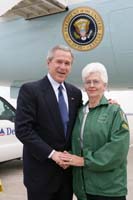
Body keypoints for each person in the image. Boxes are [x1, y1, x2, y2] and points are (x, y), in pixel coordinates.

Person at [15, 45, 82, 200]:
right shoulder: (30, 90)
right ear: (48, 62)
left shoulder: (75, 93)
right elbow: (23, 129)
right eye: (59, 62)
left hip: (66, 175)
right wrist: (53, 155)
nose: (63, 67)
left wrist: (108, 104)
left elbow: (80, 122)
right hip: (40, 175)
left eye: (67, 63)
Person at [60, 62, 130, 200]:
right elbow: (79, 144)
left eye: (96, 82)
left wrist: (84, 161)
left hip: (108, 190)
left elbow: (117, 150)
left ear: (104, 86)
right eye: (88, 82)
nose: (91, 85)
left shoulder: (114, 111)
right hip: (83, 190)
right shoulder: (80, 112)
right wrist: (68, 157)